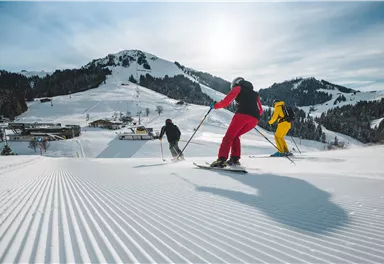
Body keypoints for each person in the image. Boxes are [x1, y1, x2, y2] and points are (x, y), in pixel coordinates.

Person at [209, 77, 263, 168]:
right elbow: (260, 110)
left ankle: (221, 160)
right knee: (235, 136)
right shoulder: (255, 94)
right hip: (255, 119)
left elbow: (226, 102)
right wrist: (251, 116)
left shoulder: (238, 88)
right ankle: (234, 159)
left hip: (242, 115)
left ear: (235, 84)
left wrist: (215, 106)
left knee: (228, 137)